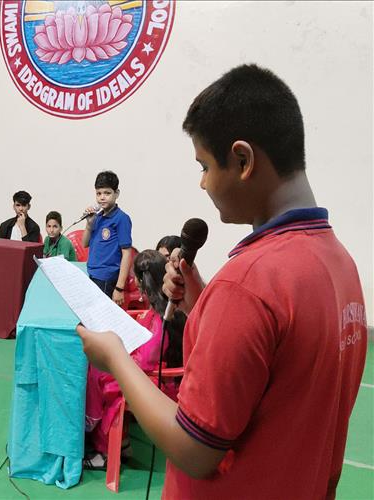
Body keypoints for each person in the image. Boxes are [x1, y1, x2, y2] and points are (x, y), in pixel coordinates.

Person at [76, 64, 366, 498]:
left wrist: (116, 359)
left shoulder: (249, 283)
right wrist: (202, 300)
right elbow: (275, 366)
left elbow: (195, 451)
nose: (202, 182)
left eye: (205, 165)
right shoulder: (339, 262)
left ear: (243, 160)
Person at [83, 249, 184, 469]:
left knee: (102, 374)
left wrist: (120, 353)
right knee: (99, 369)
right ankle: (120, 442)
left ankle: (104, 449)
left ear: (141, 281)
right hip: (154, 373)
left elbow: (145, 361)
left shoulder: (162, 320)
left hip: (156, 381)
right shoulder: (163, 310)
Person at [81, 171, 132, 304]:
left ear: (117, 193)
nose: (102, 197)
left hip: (106, 279)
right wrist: (89, 224)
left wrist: (119, 288)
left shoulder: (121, 219)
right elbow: (84, 244)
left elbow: (127, 254)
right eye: (98, 193)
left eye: (107, 193)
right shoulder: (97, 216)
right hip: (92, 274)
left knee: (101, 315)